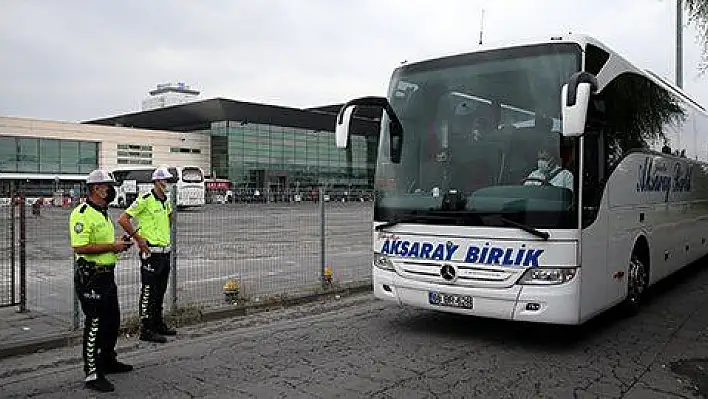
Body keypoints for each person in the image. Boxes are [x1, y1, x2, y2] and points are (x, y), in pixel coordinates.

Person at [69, 169, 133, 393]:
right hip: (90, 278)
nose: (112, 190)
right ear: (96, 189)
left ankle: (108, 360)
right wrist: (111, 246)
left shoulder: (103, 212)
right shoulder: (82, 213)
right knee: (95, 324)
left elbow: (103, 247)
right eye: (108, 186)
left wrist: (118, 246)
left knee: (112, 321)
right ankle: (93, 373)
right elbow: (80, 247)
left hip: (106, 275)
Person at [118, 167, 176, 344]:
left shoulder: (166, 201)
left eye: (168, 181)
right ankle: (146, 328)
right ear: (157, 182)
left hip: (164, 252)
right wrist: (139, 239)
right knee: (148, 291)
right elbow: (123, 219)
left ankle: (158, 324)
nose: (167, 184)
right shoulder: (144, 200)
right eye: (165, 180)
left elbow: (169, 219)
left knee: (160, 291)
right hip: (150, 254)